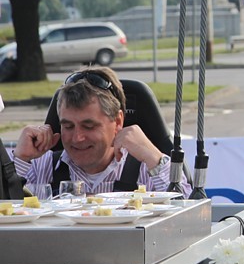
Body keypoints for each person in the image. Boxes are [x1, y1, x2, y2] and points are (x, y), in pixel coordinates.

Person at [11, 66, 192, 197]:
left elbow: (189, 217)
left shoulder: (148, 169)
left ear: (118, 121)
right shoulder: (39, 168)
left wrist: (154, 157)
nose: (77, 137)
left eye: (89, 126)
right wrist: (19, 160)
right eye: (68, 126)